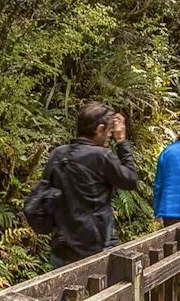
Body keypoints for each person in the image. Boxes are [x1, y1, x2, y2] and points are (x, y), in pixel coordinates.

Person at [44, 102, 139, 269]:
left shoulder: (57, 154)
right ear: (99, 129)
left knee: (63, 291)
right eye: (108, 131)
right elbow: (130, 179)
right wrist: (122, 142)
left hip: (62, 245)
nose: (109, 135)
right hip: (93, 247)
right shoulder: (101, 157)